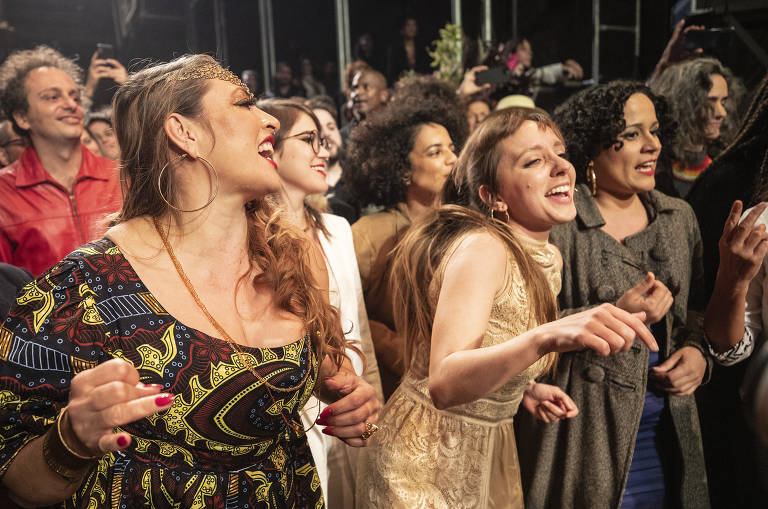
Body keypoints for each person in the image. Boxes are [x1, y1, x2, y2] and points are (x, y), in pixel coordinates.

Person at [0, 54, 380, 508]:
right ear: (185, 133)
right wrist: (71, 440)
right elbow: (16, 483)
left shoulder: (285, 256)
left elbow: (319, 374)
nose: (270, 120)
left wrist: (349, 399)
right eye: (244, 103)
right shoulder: (82, 289)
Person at [356, 106, 657, 507]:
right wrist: (546, 337)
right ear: (493, 196)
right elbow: (444, 382)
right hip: (427, 462)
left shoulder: (547, 256)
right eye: (534, 161)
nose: (561, 167)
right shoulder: (484, 247)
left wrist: (522, 387)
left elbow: (493, 340)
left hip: (492, 448)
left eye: (559, 153)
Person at [517, 81, 711, 509]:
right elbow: (518, 328)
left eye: (654, 131)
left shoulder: (678, 217)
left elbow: (697, 311)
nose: (651, 145)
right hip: (581, 437)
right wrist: (613, 312)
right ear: (592, 147)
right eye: (632, 134)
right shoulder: (559, 222)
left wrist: (698, 353)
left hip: (669, 436)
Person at [258, 97, 383, 507]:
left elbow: (358, 330)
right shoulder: (253, 242)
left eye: (323, 139)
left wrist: (371, 406)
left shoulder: (337, 228)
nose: (323, 150)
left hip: (349, 405)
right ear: (271, 151)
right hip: (295, 416)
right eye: (308, 139)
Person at [346, 76, 467, 399]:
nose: (452, 159)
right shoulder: (369, 234)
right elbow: (343, 311)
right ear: (403, 170)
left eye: (452, 149)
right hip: (398, 393)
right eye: (435, 152)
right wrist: (399, 350)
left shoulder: (466, 226)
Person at [0, 45, 121, 276]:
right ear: (22, 117)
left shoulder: (122, 176)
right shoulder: (4, 194)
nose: (71, 104)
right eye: (52, 97)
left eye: (74, 96)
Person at [650, 57, 744, 198]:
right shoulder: (656, 166)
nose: (721, 113)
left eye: (723, 101)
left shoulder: (726, 164)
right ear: (685, 104)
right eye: (710, 102)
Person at [340, 68, 388, 145]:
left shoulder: (394, 131)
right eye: (354, 88)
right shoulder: (343, 137)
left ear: (383, 95)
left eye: (366, 88)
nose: (358, 92)